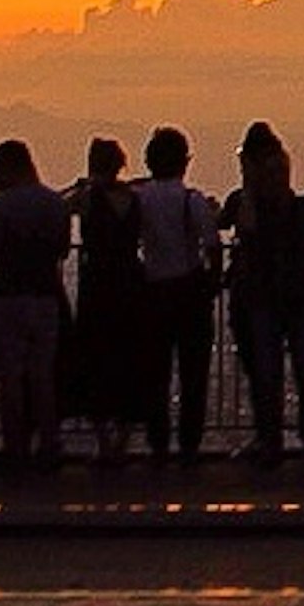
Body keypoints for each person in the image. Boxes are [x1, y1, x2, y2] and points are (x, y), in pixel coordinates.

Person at [225, 121, 304, 465]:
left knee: (267, 373)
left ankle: (272, 442)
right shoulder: (302, 209)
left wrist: (247, 181)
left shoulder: (249, 202)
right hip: (299, 295)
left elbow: (244, 227)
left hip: (263, 297)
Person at [0, 139, 70, 471]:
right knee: (42, 374)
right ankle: (49, 442)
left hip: (8, 294)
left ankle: (14, 444)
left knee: (10, 376)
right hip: (46, 293)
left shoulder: (2, 205)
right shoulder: (54, 203)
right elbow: (62, 248)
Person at [133, 127, 221, 463]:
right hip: (189, 292)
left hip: (153, 291)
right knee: (194, 373)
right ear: (185, 162)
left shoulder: (140, 199)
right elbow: (212, 245)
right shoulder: (192, 200)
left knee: (155, 372)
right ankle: (189, 443)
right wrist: (212, 284)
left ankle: (157, 441)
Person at [63, 137, 144, 463]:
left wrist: (78, 186)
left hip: (98, 283)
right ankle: (124, 438)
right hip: (130, 280)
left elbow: (60, 204)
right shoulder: (134, 198)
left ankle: (103, 442)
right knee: (128, 356)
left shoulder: (86, 198)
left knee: (95, 357)